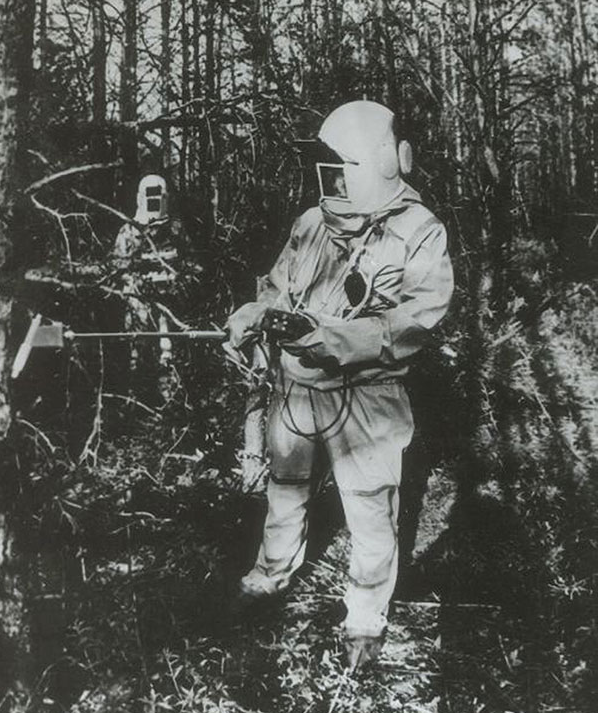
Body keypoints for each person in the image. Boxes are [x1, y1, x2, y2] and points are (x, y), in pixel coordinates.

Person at [225, 100, 454, 669]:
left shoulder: (418, 231)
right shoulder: (311, 222)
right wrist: (255, 315)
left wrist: (331, 339)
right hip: (298, 390)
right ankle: (270, 575)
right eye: (327, 168)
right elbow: (279, 287)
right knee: (284, 490)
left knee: (370, 508)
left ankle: (365, 614)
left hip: (368, 398)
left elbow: (414, 321)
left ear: (382, 161)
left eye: (343, 166)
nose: (334, 180)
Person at [113, 174, 180, 400]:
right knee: (136, 344)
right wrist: (138, 280)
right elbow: (119, 265)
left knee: (167, 345)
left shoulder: (175, 230)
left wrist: (173, 278)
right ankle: (134, 396)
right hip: (137, 296)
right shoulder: (129, 231)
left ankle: (168, 396)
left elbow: (189, 263)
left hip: (167, 297)